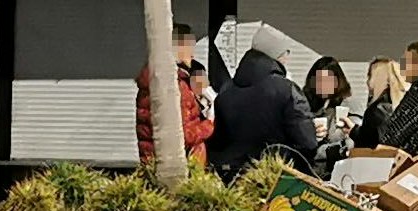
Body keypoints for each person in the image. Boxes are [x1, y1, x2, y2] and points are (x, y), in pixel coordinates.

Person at [208, 24, 320, 177]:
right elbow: (307, 143)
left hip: (232, 178)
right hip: (274, 178)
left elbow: (217, 143)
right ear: (279, 55)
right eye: (287, 52)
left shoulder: (225, 92)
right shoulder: (287, 90)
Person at [133, 22, 216, 168]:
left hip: (154, 162)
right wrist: (209, 122)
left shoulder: (154, 79)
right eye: (190, 46)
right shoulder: (174, 85)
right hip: (179, 167)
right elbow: (182, 136)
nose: (192, 53)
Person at [354, 60, 409, 149]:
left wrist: (354, 132)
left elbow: (368, 145)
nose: (367, 82)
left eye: (370, 76)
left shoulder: (376, 111)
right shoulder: (407, 106)